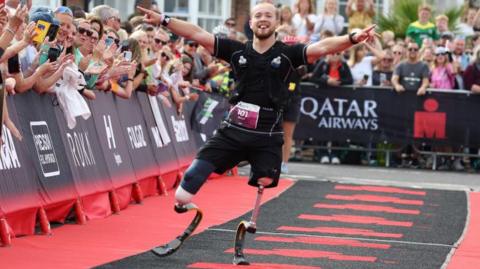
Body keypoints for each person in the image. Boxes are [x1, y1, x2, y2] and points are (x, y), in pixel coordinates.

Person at [137, 1, 375, 225]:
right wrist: (165, 19)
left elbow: (323, 47)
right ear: (251, 23)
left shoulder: (288, 53)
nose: (263, 19)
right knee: (185, 187)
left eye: (268, 16)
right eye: (258, 16)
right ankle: (186, 204)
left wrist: (353, 37)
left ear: (275, 24)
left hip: (267, 134)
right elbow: (196, 33)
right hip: (233, 130)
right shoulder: (236, 50)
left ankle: (250, 215)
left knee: (265, 181)